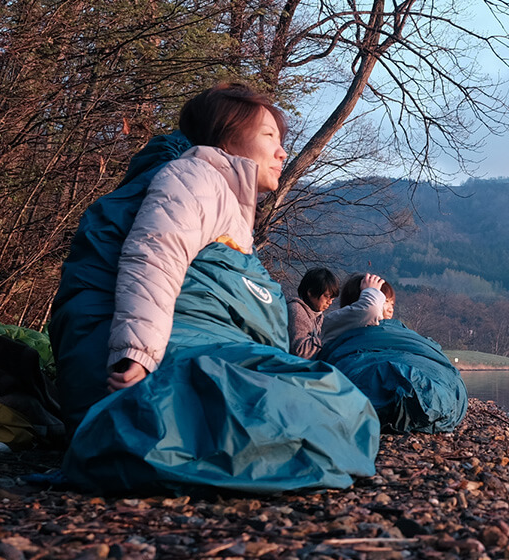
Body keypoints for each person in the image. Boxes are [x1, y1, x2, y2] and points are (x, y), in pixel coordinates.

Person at [48, 82, 379, 494]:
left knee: (336, 405)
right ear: (228, 137)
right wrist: (135, 353)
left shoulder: (228, 202)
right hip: (160, 356)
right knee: (328, 405)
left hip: (198, 348)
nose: (282, 153)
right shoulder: (197, 176)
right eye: (269, 137)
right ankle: (137, 433)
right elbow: (154, 254)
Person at [317, 273, 467, 433]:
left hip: (403, 362)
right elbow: (368, 311)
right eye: (384, 301)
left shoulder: (396, 330)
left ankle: (412, 398)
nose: (390, 308)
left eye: (392, 303)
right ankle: (413, 400)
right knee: (383, 376)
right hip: (365, 360)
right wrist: (370, 292)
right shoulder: (340, 322)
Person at [287, 268, 339, 358]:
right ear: (310, 292)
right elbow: (299, 350)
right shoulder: (297, 310)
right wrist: (329, 337)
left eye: (332, 299)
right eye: (327, 297)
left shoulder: (318, 315)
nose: (330, 302)